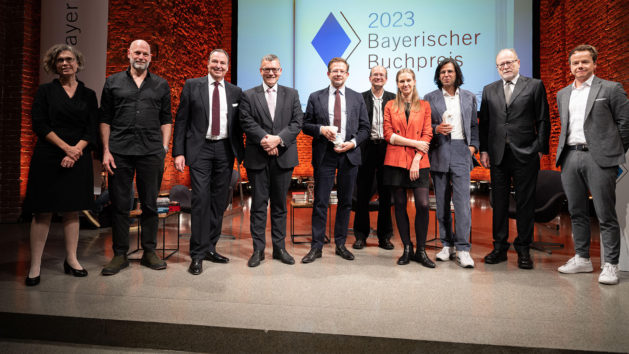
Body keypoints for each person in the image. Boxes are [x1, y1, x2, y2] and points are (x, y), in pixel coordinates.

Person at [23, 44, 97, 286]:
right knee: (42, 211)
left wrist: (76, 151)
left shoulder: (88, 94)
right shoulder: (45, 92)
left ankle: (72, 259)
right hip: (49, 155)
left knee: (72, 210)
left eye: (69, 59)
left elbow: (92, 128)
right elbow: (40, 124)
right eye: (60, 60)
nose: (65, 63)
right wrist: (66, 148)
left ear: (78, 63)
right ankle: (35, 265)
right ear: (54, 65)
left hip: (79, 154)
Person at [555, 44, 629, 285]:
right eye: (575, 63)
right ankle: (582, 258)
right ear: (570, 66)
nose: (580, 66)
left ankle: (610, 265)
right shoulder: (563, 93)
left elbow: (625, 123)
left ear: (595, 64)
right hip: (570, 156)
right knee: (576, 211)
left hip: (599, 158)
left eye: (585, 62)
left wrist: (613, 151)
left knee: (605, 214)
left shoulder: (610, 88)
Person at [100, 39, 172, 275]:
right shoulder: (112, 83)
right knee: (120, 204)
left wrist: (163, 147)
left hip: (151, 151)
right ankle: (120, 254)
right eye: (137, 52)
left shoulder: (161, 84)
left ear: (151, 57)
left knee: (151, 204)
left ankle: (149, 251)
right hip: (120, 151)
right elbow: (105, 119)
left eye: (145, 53)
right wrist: (106, 150)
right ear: (128, 54)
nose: (141, 56)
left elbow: (166, 119)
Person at [173, 49, 244, 275]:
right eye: (215, 61)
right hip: (200, 149)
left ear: (227, 66)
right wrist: (178, 152)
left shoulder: (235, 91)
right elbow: (181, 121)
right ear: (207, 63)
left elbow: (240, 124)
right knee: (201, 199)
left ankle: (210, 247)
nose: (218, 66)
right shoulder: (192, 85)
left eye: (223, 63)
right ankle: (197, 254)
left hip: (224, 149)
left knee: (219, 201)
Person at [479, 48, 550, 269]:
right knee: (498, 203)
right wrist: (484, 150)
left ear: (518, 63)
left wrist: (540, 148)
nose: (506, 67)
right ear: (497, 68)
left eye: (509, 62)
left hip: (526, 153)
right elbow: (486, 124)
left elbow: (543, 119)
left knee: (525, 203)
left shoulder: (534, 86)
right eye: (501, 64)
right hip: (498, 155)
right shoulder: (488, 90)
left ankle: (523, 250)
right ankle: (499, 247)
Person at [301, 57, 370, 263]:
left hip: (349, 154)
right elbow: (305, 125)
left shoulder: (357, 98)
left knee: (346, 202)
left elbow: (365, 128)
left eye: (342, 71)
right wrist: (321, 130)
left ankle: (340, 244)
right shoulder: (315, 97)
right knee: (321, 201)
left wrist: (354, 143)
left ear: (347, 75)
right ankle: (316, 246)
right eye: (334, 71)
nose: (338, 74)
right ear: (328, 74)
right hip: (325, 155)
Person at [239, 54, 303, 267]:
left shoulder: (292, 94)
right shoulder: (248, 95)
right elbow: (246, 121)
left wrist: (278, 140)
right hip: (258, 157)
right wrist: (266, 140)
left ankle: (279, 248)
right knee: (258, 205)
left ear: (281, 70)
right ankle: (258, 250)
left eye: (275, 69)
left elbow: (297, 123)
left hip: (284, 158)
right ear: (260, 71)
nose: (271, 72)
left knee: (279, 206)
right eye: (267, 69)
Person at [424, 58, 479, 268]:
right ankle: (447, 245)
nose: (446, 75)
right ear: (438, 76)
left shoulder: (469, 97)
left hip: (461, 151)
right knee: (441, 203)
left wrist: (473, 147)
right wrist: (437, 128)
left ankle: (463, 248)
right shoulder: (429, 98)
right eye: (442, 72)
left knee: (463, 203)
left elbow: (474, 125)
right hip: (439, 151)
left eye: (450, 71)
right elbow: (425, 125)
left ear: (457, 74)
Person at [382, 68, 434, 268]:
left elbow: (427, 134)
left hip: (419, 161)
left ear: (414, 82)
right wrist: (415, 144)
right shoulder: (389, 105)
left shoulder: (425, 106)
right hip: (395, 161)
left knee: (422, 204)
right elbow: (389, 135)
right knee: (400, 205)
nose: (405, 84)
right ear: (397, 83)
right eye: (401, 81)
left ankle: (421, 250)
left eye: (408, 80)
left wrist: (416, 158)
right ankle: (406, 248)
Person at [352, 65, 396, 250]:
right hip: (366, 148)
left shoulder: (394, 98)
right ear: (370, 78)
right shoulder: (359, 98)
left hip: (388, 148)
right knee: (362, 194)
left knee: (386, 194)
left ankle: (384, 236)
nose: (378, 77)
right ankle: (360, 236)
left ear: (386, 79)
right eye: (375, 75)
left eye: (381, 75)